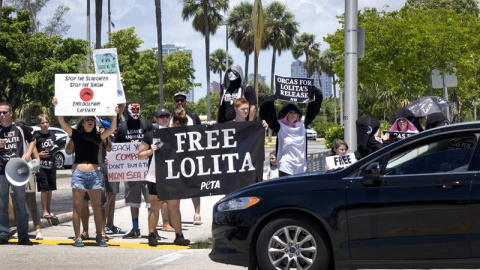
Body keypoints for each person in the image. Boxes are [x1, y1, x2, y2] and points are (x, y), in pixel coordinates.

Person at [53, 97, 118, 247]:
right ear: (82, 123)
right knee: (77, 206)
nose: (90, 121)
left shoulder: (98, 136)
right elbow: (62, 123)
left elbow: (112, 129)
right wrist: (58, 107)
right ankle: (77, 237)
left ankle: (99, 235)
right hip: (79, 174)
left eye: (92, 120)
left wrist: (114, 113)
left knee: (97, 207)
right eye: (87, 119)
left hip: (95, 174)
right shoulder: (76, 135)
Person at [260, 87, 323, 176]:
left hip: (300, 167)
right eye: (290, 112)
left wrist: (314, 91)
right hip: (285, 167)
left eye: (295, 112)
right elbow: (266, 111)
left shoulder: (303, 124)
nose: (293, 114)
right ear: (286, 114)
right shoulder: (280, 126)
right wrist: (274, 97)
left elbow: (314, 108)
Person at [114, 102, 154, 239]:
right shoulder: (122, 128)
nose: (135, 112)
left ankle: (152, 230)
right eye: (133, 109)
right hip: (131, 171)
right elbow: (115, 148)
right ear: (128, 111)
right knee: (133, 201)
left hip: (148, 169)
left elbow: (154, 142)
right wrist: (111, 160)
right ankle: (135, 228)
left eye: (137, 109)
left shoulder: (147, 124)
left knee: (151, 201)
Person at [0, 102, 34, 245]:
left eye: (5, 112)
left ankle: (23, 235)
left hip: (18, 171)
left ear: (11, 113)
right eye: (0, 113)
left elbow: (33, 140)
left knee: (20, 203)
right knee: (2, 204)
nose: (2, 115)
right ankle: (3, 233)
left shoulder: (19, 128)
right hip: (1, 170)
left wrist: (27, 153)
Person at [138, 108, 173, 246]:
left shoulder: (175, 132)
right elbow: (139, 155)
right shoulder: (150, 135)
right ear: (156, 119)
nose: (164, 118)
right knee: (154, 205)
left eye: (166, 116)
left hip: (171, 174)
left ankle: (178, 234)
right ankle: (151, 234)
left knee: (174, 205)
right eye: (161, 116)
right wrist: (150, 150)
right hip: (155, 174)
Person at [172, 92, 202, 226]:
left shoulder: (194, 116)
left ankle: (197, 213)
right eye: (177, 100)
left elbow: (202, 133)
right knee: (175, 186)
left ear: (186, 102)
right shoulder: (172, 117)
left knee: (194, 185)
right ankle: (173, 216)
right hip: (176, 157)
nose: (179, 102)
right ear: (174, 102)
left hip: (192, 156)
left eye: (182, 100)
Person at [98, 117, 126, 235]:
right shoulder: (96, 127)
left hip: (113, 166)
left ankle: (110, 224)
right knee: (101, 196)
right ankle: (102, 226)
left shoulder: (115, 127)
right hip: (99, 165)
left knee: (112, 194)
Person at [33, 114, 58, 220]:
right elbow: (32, 150)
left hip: (51, 164)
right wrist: (39, 155)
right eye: (42, 123)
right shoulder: (36, 136)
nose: (45, 125)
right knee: (44, 188)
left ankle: (48, 210)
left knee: (50, 188)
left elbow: (55, 147)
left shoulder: (52, 134)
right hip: (42, 166)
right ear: (38, 124)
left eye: (46, 122)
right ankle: (44, 211)